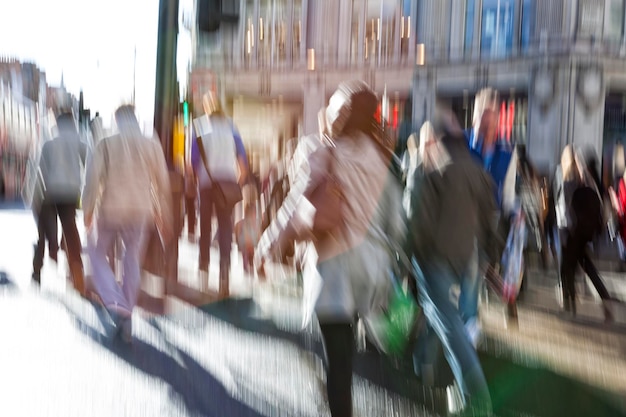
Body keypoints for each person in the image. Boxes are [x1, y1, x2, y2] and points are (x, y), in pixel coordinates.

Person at [255, 80, 405, 417]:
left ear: (341, 114)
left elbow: (295, 208)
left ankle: (338, 406)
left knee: (338, 364)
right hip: (371, 272)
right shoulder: (383, 158)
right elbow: (398, 223)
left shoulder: (324, 151)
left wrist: (267, 246)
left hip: (334, 271)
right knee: (351, 352)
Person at [409, 103, 497, 416]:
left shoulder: (429, 168)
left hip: (435, 257)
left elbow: (415, 218)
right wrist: (489, 255)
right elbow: (490, 218)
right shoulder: (476, 169)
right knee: (444, 317)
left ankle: (477, 400)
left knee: (449, 323)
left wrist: (413, 257)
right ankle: (424, 363)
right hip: (469, 256)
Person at [82, 105, 173, 343]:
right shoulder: (151, 144)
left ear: (117, 119)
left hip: (111, 208)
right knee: (131, 259)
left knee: (96, 252)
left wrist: (88, 209)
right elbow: (161, 183)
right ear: (135, 117)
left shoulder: (106, 143)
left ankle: (117, 302)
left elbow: (92, 179)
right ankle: (127, 314)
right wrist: (162, 214)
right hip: (141, 209)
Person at [191, 92, 249, 296]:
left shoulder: (199, 127)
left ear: (207, 108)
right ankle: (224, 277)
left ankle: (203, 276)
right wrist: (237, 182)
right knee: (225, 229)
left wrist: (198, 180)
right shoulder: (231, 127)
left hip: (207, 184)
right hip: (227, 183)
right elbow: (243, 162)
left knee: (205, 229)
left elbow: (194, 162)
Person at [36, 111, 88, 295]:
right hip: (72, 193)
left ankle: (38, 270)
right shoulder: (80, 144)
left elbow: (41, 170)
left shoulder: (49, 145)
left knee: (45, 230)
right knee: (70, 229)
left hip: (51, 192)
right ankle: (77, 273)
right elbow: (89, 166)